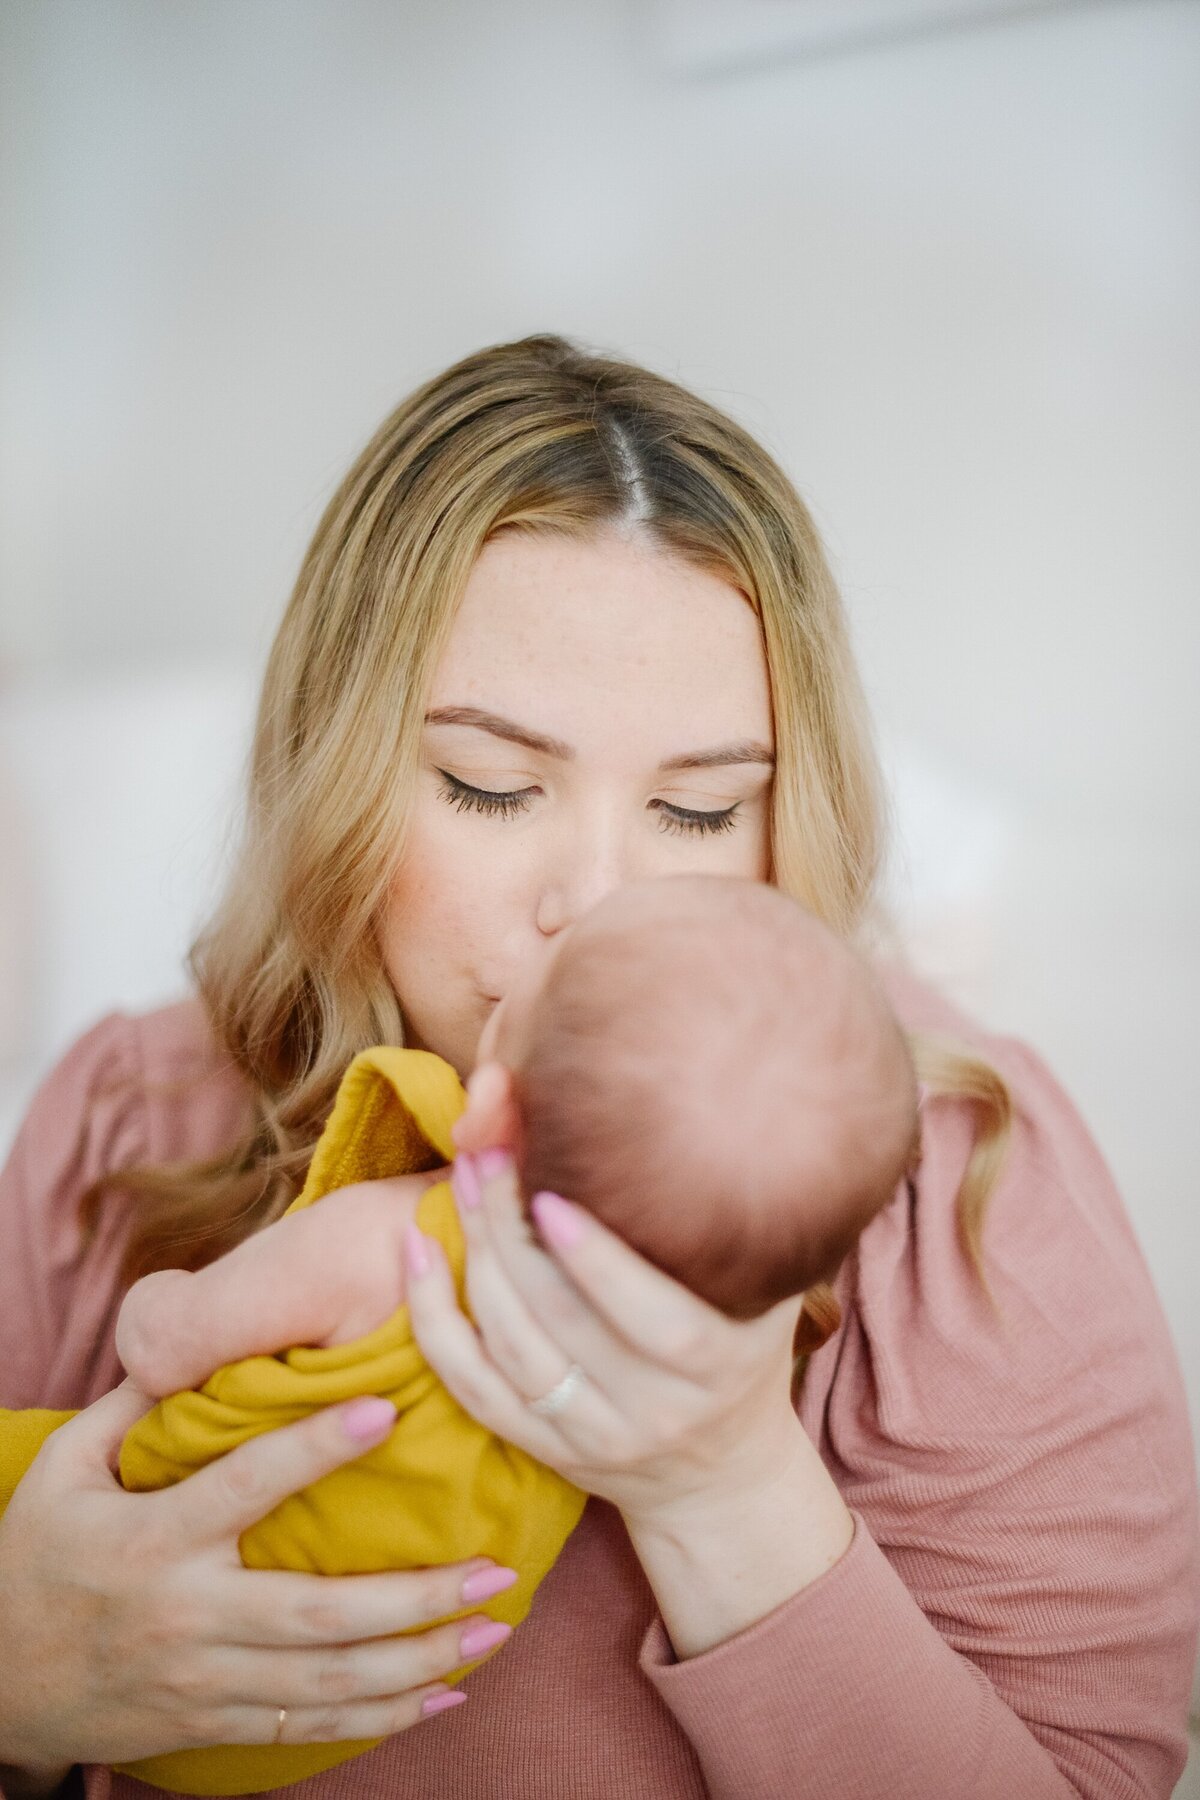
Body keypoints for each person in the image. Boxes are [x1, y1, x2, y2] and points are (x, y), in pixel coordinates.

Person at [0, 334, 1196, 1800]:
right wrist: (24, 1682)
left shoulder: (950, 1168)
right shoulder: (127, 1114)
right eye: (490, 787)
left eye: (700, 812)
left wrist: (726, 1489)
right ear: (337, 766)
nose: (601, 901)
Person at [108, 873, 921, 1794]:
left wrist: (151, 1301)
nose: (586, 889)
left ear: (489, 1112)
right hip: (312, 1726)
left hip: (159, 1655)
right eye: (490, 786)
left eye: (697, 810)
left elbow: (161, 1346)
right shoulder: (644, 1376)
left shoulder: (392, 1240)